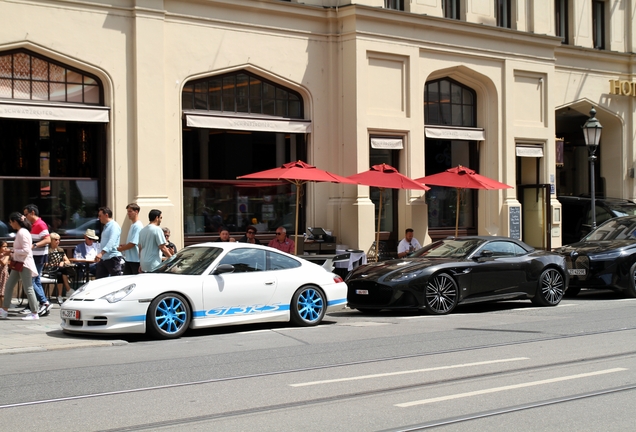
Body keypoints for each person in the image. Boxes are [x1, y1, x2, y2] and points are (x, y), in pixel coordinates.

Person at [0, 213, 40, 320]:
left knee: (28, 288)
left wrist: (12, 251)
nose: (10, 224)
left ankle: (35, 312)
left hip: (24, 264)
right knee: (9, 285)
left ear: (15, 221)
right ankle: (4, 310)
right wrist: (13, 253)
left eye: (11, 221)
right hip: (18, 263)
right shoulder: (21, 232)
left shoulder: (22, 232)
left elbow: (27, 250)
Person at [23, 204, 51, 316]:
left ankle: (44, 302)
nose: (25, 217)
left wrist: (34, 245)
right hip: (34, 256)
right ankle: (38, 303)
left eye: (26, 214)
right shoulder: (31, 224)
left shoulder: (40, 224)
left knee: (31, 280)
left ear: (32, 213)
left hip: (38, 256)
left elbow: (48, 239)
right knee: (36, 280)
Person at [44, 233, 76, 303]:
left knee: (60, 273)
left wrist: (63, 262)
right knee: (61, 270)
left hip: (59, 271)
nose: (58, 241)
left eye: (59, 240)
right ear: (51, 240)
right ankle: (68, 289)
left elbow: (67, 261)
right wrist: (56, 264)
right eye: (55, 240)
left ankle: (60, 296)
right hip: (50, 270)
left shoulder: (60, 250)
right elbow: (45, 264)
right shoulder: (47, 250)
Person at [94, 206, 122, 278]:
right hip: (104, 258)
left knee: (116, 280)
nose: (99, 218)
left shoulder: (114, 226)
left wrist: (101, 253)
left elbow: (111, 242)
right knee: (100, 280)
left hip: (113, 258)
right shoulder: (106, 226)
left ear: (106, 215)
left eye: (100, 216)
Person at [117, 203, 143, 275]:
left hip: (135, 260)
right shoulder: (133, 225)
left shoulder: (137, 226)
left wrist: (122, 248)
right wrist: (125, 245)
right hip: (129, 259)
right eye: (128, 211)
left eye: (130, 211)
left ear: (136, 212)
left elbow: (133, 243)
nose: (128, 213)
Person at [0, 240, 9, 307]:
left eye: (6, 246)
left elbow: (4, 263)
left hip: (3, 275)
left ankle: (2, 308)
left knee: (2, 293)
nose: (5, 248)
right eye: (4, 246)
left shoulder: (6, 255)